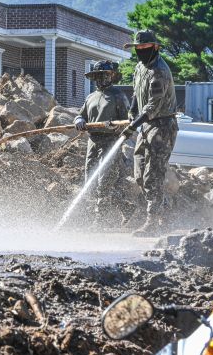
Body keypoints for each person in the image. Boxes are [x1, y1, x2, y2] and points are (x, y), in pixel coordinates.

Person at [121, 30, 178, 237]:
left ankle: (152, 221)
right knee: (139, 174)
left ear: (155, 48)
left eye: (145, 48)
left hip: (162, 125)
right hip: (146, 125)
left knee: (153, 175)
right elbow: (136, 93)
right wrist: (131, 112)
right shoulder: (139, 68)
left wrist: (133, 125)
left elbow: (153, 105)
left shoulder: (159, 72)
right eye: (138, 49)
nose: (141, 52)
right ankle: (163, 208)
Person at [73, 60, 132, 226]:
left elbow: (128, 121)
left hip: (110, 141)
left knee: (104, 180)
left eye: (105, 75)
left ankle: (100, 220)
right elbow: (82, 114)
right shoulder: (91, 97)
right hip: (93, 141)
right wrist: (79, 119)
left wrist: (116, 126)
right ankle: (125, 207)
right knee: (90, 180)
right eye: (99, 75)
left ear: (111, 76)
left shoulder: (118, 96)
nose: (101, 79)